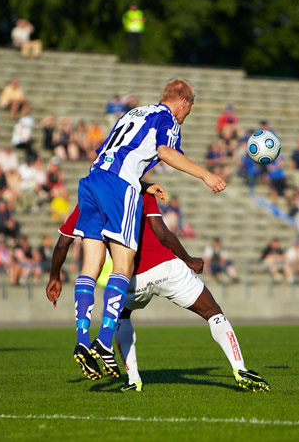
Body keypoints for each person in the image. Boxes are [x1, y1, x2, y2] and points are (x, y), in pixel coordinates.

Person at [70, 78, 226, 380]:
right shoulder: (167, 118)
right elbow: (166, 152)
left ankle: (80, 338)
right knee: (124, 264)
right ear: (183, 102)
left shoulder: (133, 113)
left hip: (91, 181)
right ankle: (103, 341)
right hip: (118, 188)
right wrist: (206, 175)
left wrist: (143, 184)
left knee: (90, 266)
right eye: (189, 108)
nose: (187, 114)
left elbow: (107, 157)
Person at [46, 193, 268, 392]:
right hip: (166, 268)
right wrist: (189, 259)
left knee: (121, 316)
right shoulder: (141, 191)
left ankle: (133, 379)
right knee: (213, 312)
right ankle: (240, 369)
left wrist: (55, 276)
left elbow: (62, 244)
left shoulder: (90, 199)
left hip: (131, 277)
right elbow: (162, 234)